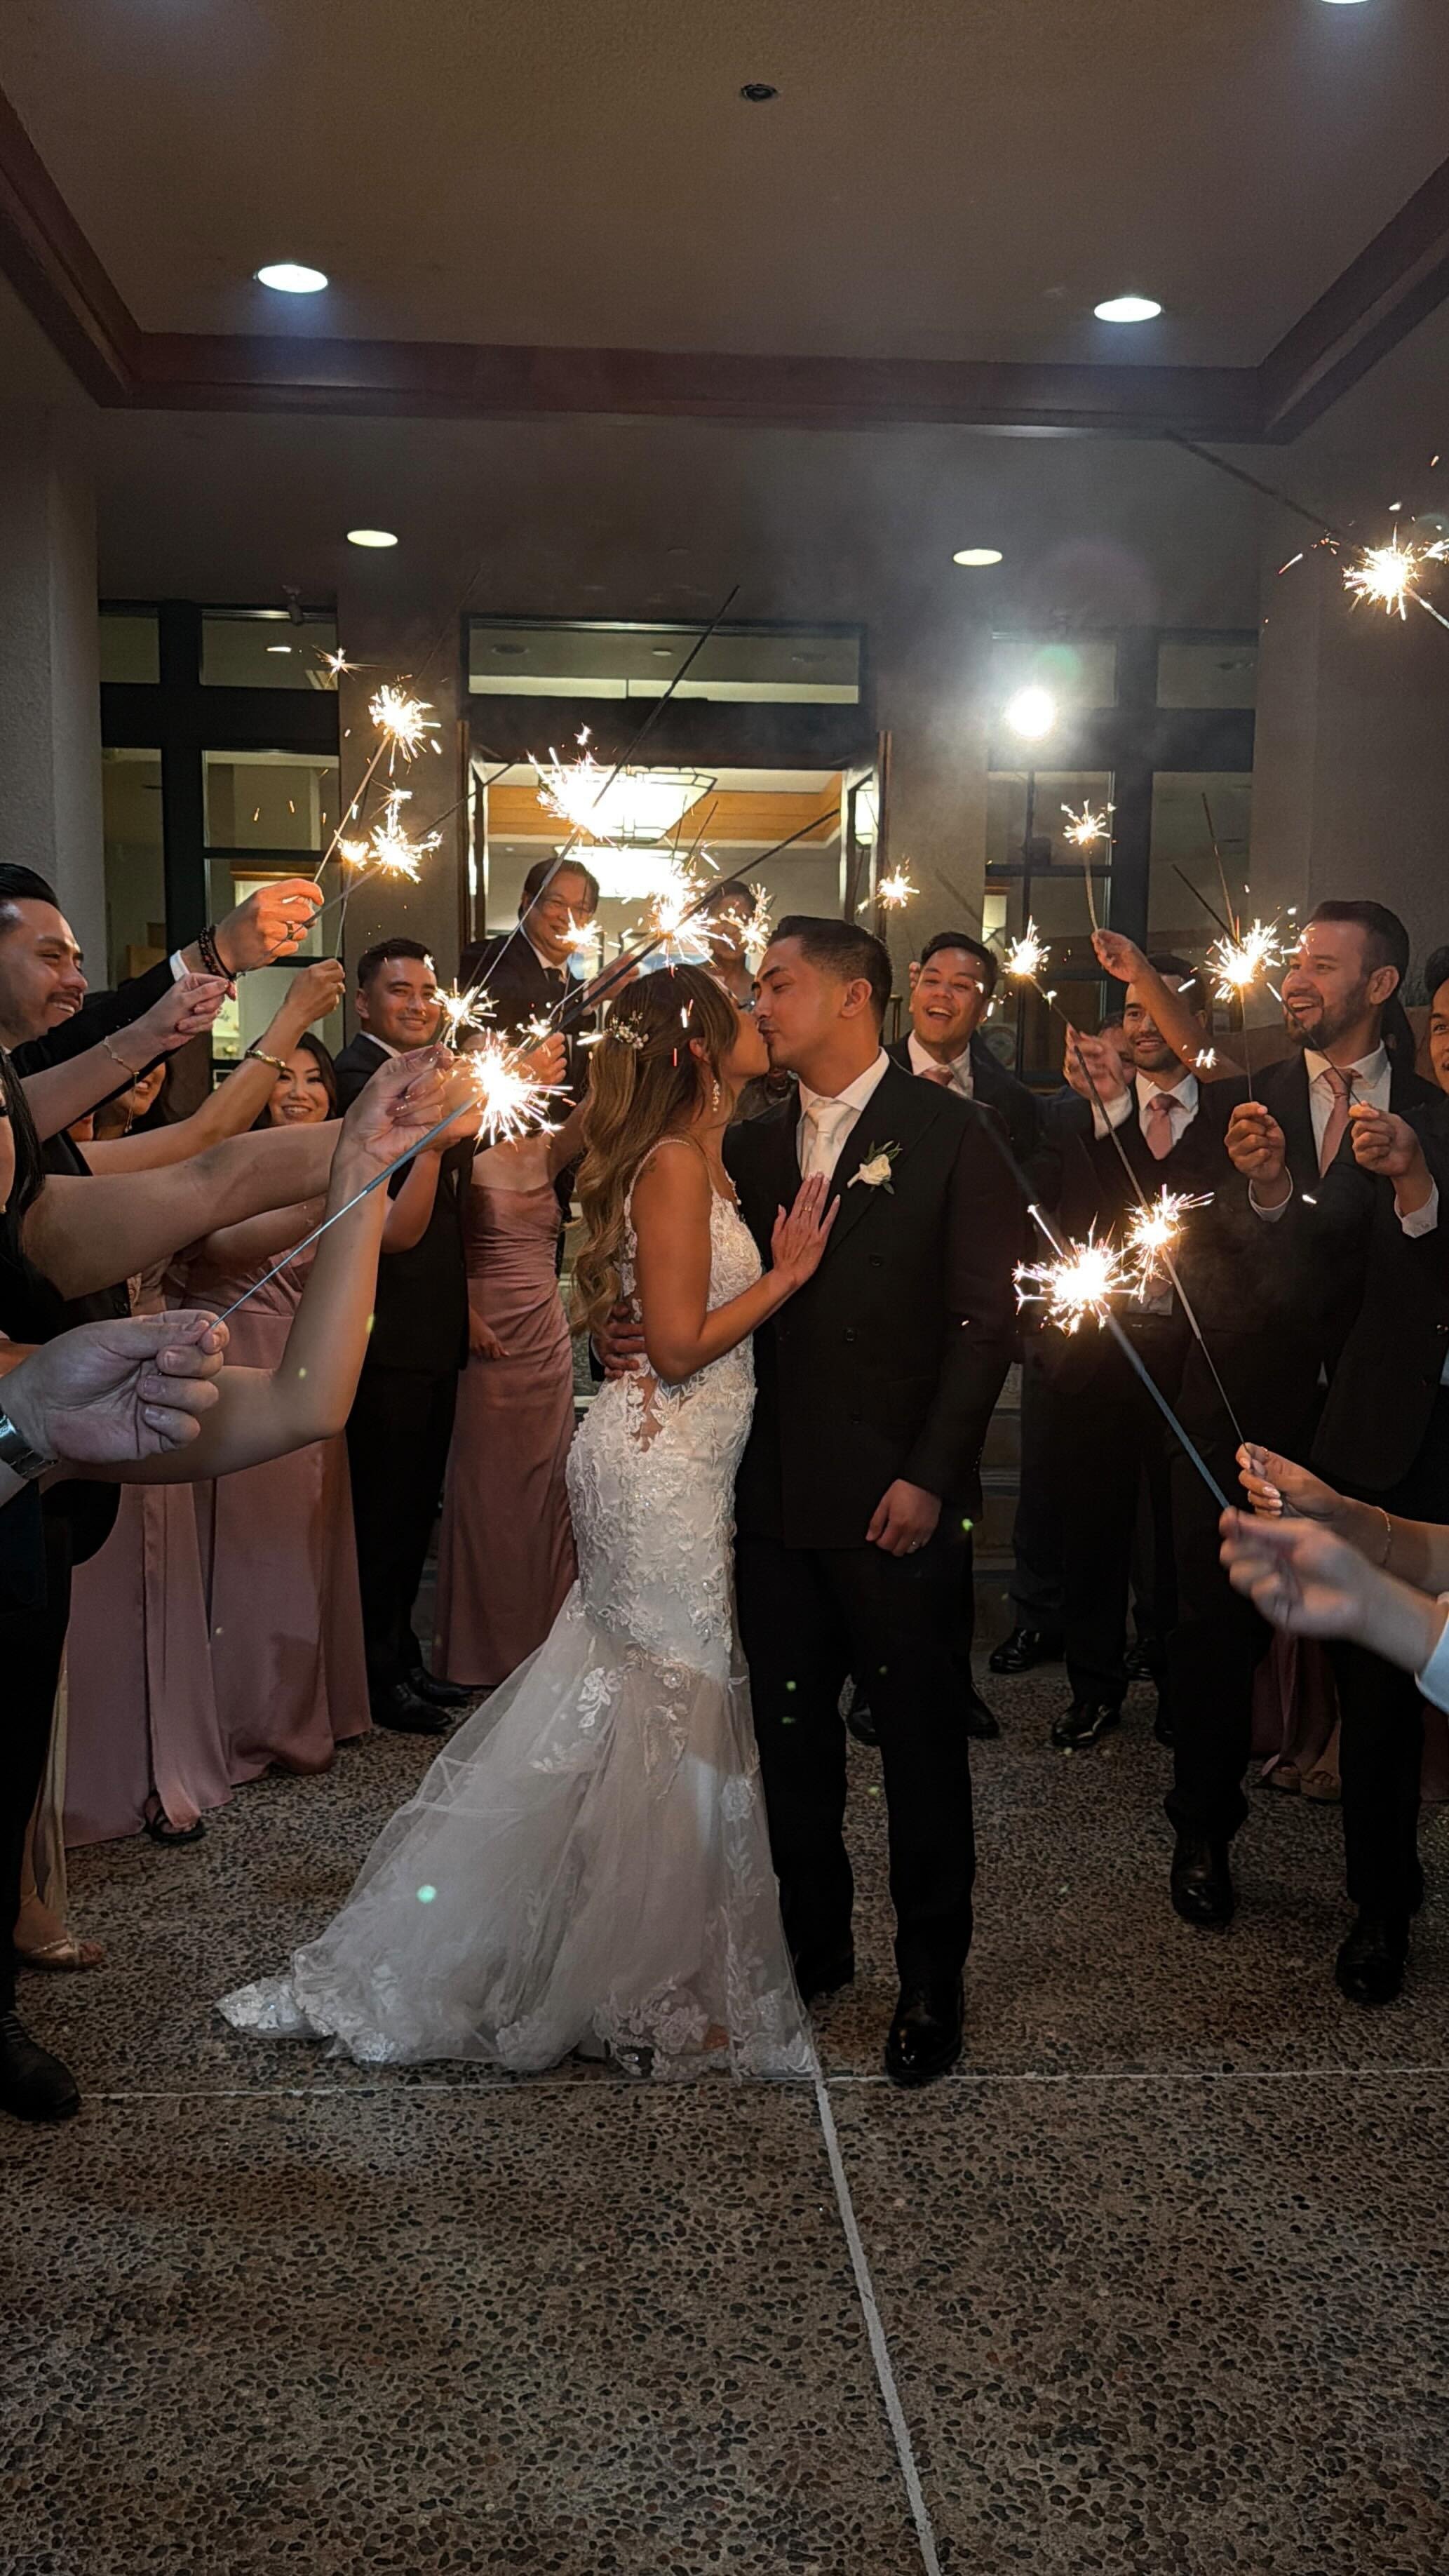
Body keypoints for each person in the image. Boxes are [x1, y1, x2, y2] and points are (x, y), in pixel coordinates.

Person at [219, 966, 830, 2079]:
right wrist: (787, 1277)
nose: (758, 1021)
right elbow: (686, 1344)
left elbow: (661, 1322)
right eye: (738, 1010)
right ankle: (645, 1983)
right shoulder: (680, 1162)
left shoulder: (705, 1155)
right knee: (667, 1702)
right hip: (658, 1469)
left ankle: (615, 1960)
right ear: (696, 1049)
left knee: (632, 1704)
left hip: (675, 1459)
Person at [720, 918, 1020, 2085]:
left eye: (778, 984)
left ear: (855, 997)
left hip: (896, 1503)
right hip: (777, 1502)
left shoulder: (952, 1135)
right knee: (791, 1742)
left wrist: (931, 1475)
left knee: (919, 1746)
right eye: (755, 989)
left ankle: (933, 1975)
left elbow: (984, 1322)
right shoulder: (749, 1147)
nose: (762, 1005)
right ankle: (815, 1941)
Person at [1135, 904, 1445, 1999]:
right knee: (1208, 1639)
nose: (1295, 978)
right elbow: (1206, 1256)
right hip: (1237, 1416)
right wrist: (1263, 1190)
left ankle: (1380, 1905)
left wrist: (1411, 1182)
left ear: (1378, 985)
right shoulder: (1242, 1097)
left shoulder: (1433, 1110)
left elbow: (1428, 1273)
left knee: (1375, 1687)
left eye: (1321, 964)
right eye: (1292, 961)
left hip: (1377, 1437)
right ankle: (1202, 1835)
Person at [166, 1029, 370, 1797]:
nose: (299, 1092)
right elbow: (220, 1247)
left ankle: (301, 1707)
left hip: (313, 1371)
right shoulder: (238, 1169)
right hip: (237, 1359)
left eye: (315, 1081)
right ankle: (240, 1718)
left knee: (300, 1552)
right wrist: (350, 1180)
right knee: (248, 1551)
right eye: (284, 1079)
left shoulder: (340, 1168)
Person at [1046, 955, 1213, 1750]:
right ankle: (1092, 1684)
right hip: (1097, 1348)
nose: (1144, 1028)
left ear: (1196, 1024)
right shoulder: (1070, 1113)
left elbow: (1173, 1207)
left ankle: (1182, 1687)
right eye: (1133, 1013)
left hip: (1194, 1353)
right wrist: (1105, 1112)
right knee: (1092, 1526)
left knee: (1182, 1535)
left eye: (1161, 1011)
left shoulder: (1224, 1114)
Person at [332, 940, 477, 1735]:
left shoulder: (433, 1079)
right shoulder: (360, 1081)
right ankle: (375, 1672)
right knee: (382, 1512)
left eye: (427, 990)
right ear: (362, 1002)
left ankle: (404, 1655)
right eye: (399, 991)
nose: (418, 1003)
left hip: (432, 1328)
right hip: (384, 1331)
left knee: (413, 1506)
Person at [432, 1099, 586, 1689]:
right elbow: (434, 1238)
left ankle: (545, 1643)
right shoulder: (457, 1151)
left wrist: (620, 1019)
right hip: (483, 1326)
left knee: (546, 1485)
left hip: (544, 1332)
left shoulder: (548, 1149)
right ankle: (479, 1650)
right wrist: (460, 1310)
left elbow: (598, 1110)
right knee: (485, 1487)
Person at [458, 856, 601, 1039]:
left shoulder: (571, 985)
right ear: (527, 902)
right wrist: (590, 992)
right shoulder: (487, 957)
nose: (568, 918)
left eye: (580, 909)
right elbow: (514, 1005)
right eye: (557, 903)